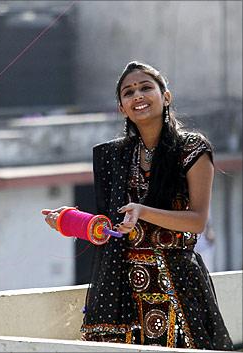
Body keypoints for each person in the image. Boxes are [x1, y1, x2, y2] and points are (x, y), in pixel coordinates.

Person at [42, 61, 233, 349]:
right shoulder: (117, 156)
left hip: (177, 283)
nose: (138, 96)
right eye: (128, 92)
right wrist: (70, 220)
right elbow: (113, 228)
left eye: (146, 87)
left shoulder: (192, 149)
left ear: (165, 96)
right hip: (125, 289)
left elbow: (196, 221)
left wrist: (143, 212)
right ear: (122, 107)